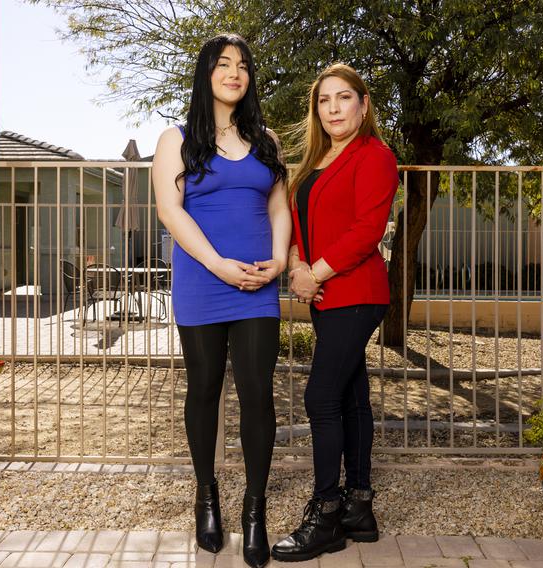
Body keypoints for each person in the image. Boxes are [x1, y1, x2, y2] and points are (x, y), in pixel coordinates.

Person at [153, 34, 290, 568]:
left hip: (258, 284)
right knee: (204, 389)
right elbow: (172, 211)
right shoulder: (177, 139)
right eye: (223, 64)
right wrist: (217, 265)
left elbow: (280, 208)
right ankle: (206, 498)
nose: (235, 72)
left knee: (258, 393)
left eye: (243, 65)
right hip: (204, 282)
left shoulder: (267, 141)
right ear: (206, 73)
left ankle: (254, 510)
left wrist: (278, 261)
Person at [271, 63, 398, 563]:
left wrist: (313, 274)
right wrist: (299, 261)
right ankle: (359, 508)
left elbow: (367, 230)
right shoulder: (317, 160)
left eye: (343, 98)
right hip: (326, 293)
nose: (333, 109)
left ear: (363, 104)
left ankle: (325, 514)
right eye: (324, 101)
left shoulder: (376, 156)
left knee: (320, 396)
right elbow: (305, 221)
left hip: (357, 292)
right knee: (350, 397)